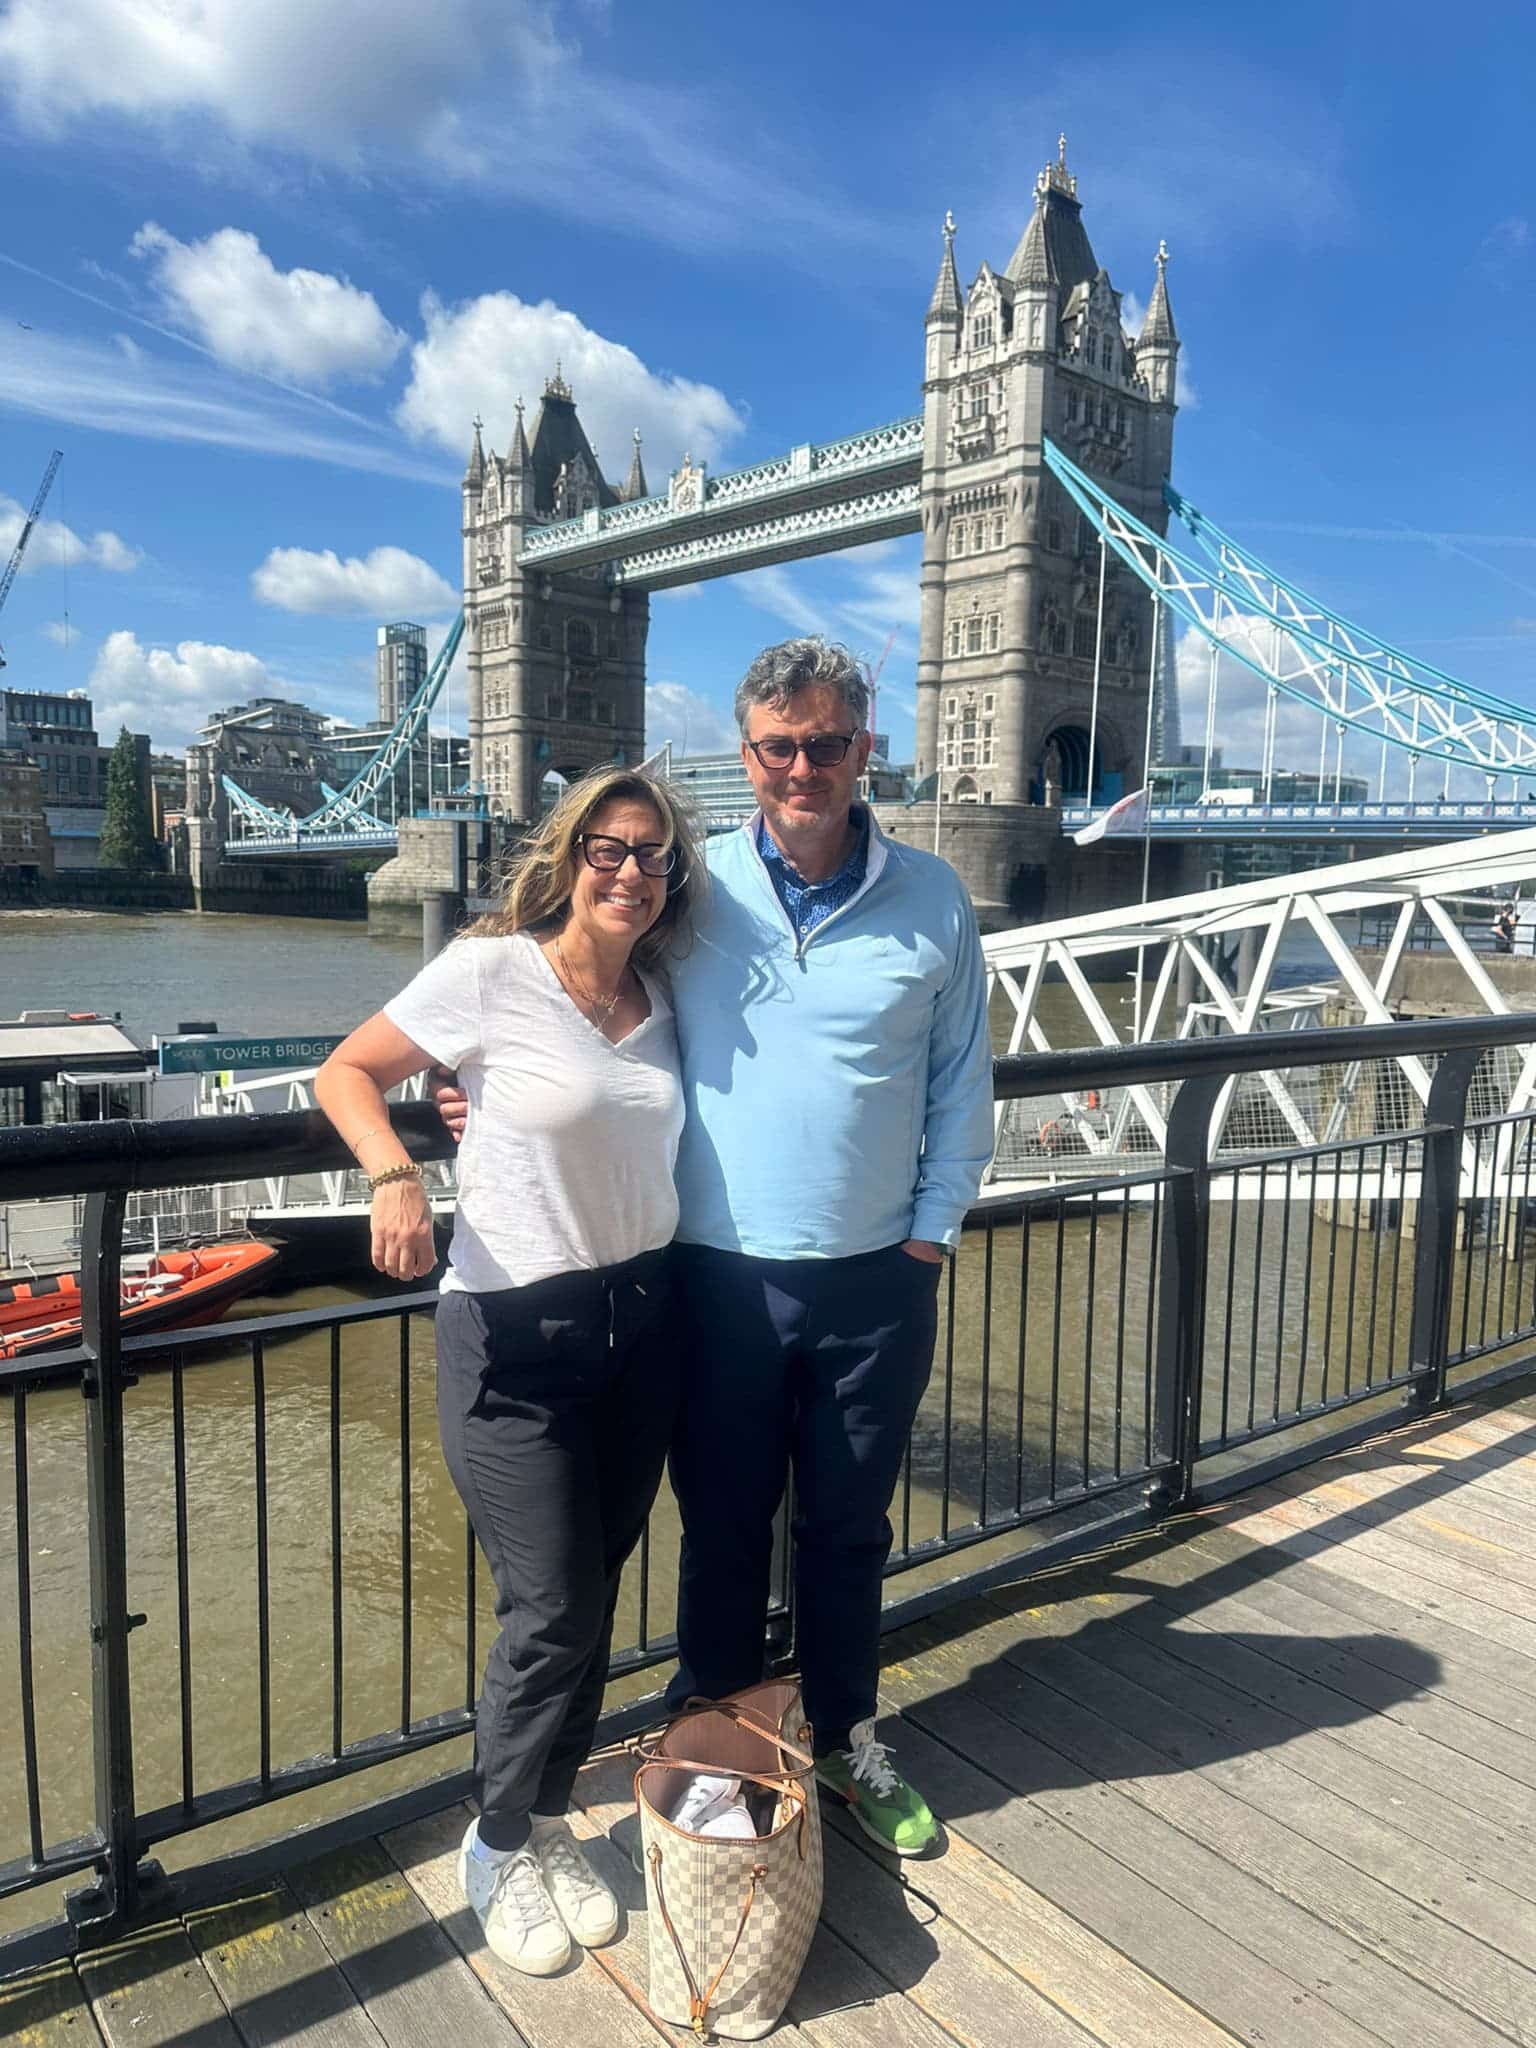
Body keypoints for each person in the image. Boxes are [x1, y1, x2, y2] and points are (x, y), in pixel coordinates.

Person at [439, 636, 993, 1857]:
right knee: (725, 1530)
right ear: (746, 755)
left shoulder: (936, 896)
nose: (803, 767)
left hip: (876, 1281)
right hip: (713, 1277)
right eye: (778, 745)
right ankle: (719, 1748)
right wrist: (467, 1072)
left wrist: (930, 1235)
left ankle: (845, 1737)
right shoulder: (689, 888)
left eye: (827, 742)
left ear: (865, 747)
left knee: (848, 1530)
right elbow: (558, 964)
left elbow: (963, 1080)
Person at [315, 767, 702, 1977]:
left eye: (651, 853)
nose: (629, 870)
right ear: (569, 855)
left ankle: (543, 1814)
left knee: (598, 1583)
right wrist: (394, 1173)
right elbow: (346, 1070)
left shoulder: (663, 996)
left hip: (641, 1324)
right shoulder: (491, 969)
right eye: (607, 847)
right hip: (511, 1333)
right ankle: (492, 1842)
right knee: (552, 1605)